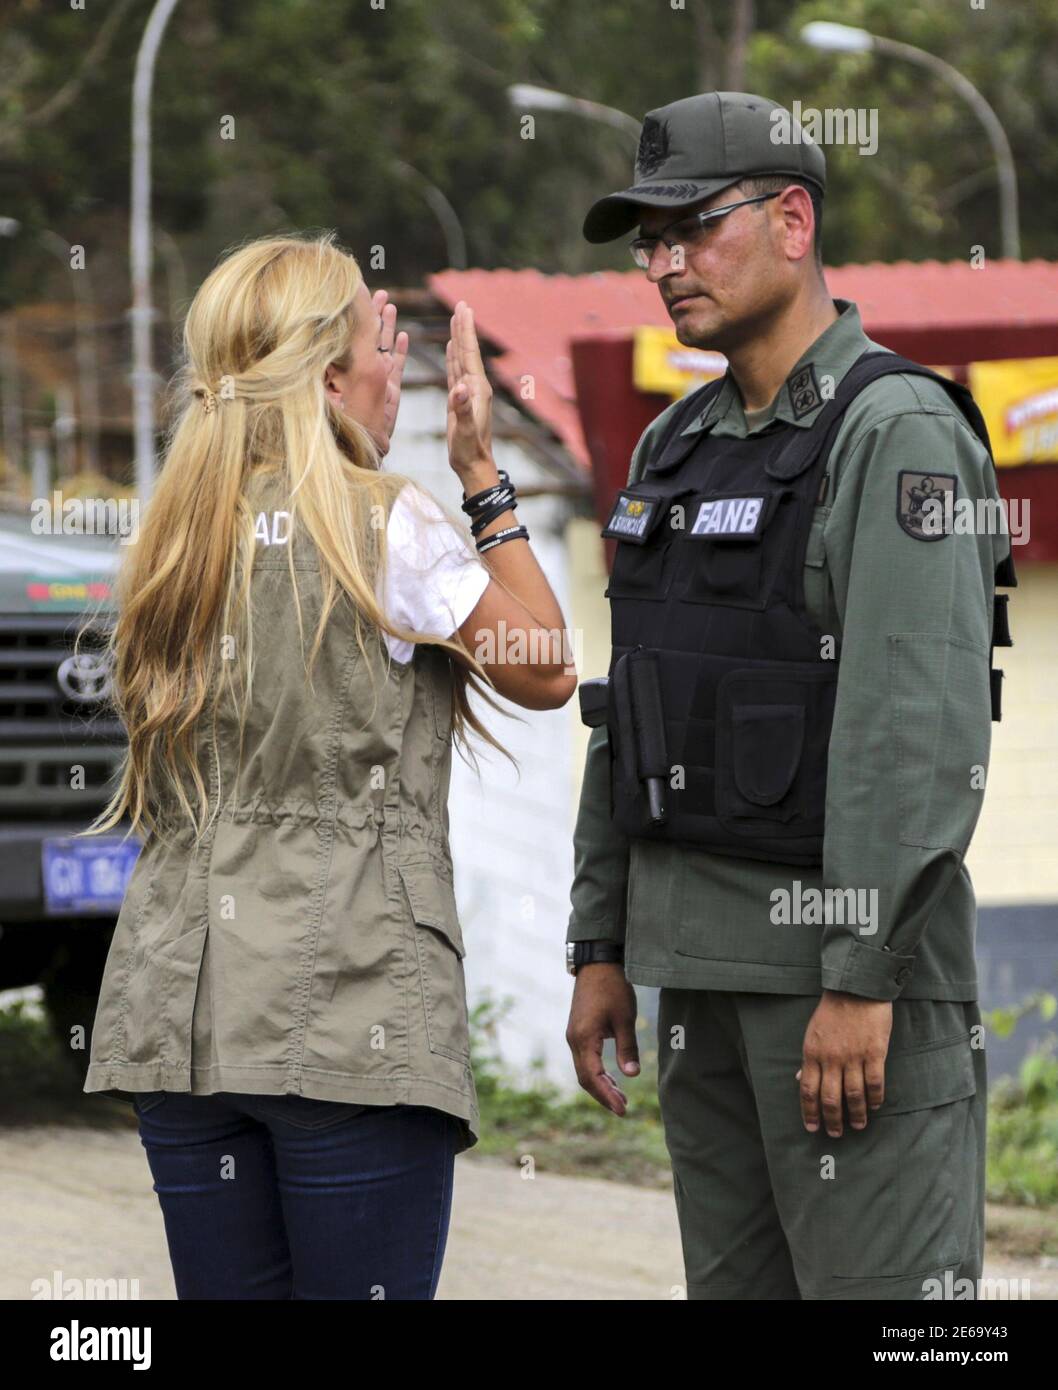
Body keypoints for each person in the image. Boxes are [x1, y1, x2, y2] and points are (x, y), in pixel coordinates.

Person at [566, 92, 1016, 1301]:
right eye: (646, 242)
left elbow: (911, 730)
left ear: (793, 220)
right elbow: (630, 708)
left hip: (839, 994)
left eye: (692, 228)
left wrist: (859, 976)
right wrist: (600, 945)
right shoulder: (672, 447)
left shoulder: (898, 431)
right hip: (698, 986)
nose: (663, 265)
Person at [81, 231, 576, 1300]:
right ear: (333, 373)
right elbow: (546, 669)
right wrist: (482, 479)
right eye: (377, 340)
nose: (395, 362)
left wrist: (361, 432)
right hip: (347, 1008)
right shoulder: (384, 525)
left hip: (179, 1019)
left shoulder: (170, 537)